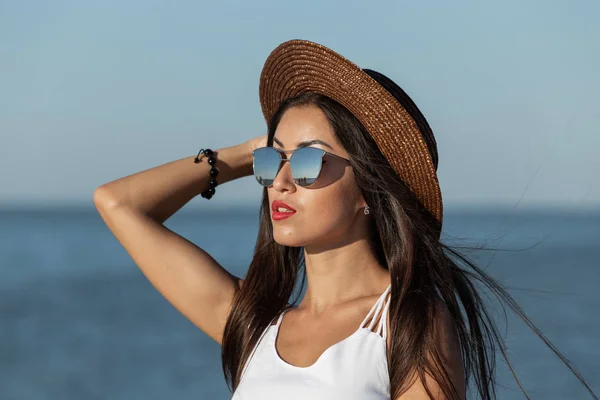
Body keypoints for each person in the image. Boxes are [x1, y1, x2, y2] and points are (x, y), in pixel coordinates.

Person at [93, 40, 597, 400]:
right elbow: (117, 204)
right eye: (274, 163)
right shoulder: (254, 324)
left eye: (310, 162)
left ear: (369, 191)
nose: (282, 181)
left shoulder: (407, 323)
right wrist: (247, 152)